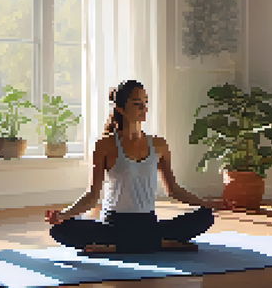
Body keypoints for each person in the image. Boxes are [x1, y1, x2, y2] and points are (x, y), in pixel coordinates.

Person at [45, 80, 235, 254]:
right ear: (120, 108)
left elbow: (173, 190)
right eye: (137, 103)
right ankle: (159, 243)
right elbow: (92, 196)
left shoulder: (159, 144)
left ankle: (119, 246)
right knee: (61, 230)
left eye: (145, 102)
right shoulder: (104, 145)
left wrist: (207, 203)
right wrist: (63, 214)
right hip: (114, 225)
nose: (144, 108)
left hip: (148, 224)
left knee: (205, 217)